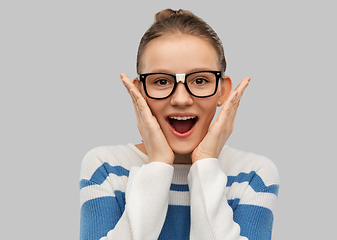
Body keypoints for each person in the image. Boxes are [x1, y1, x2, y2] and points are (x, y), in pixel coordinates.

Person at [79, 8, 279, 240]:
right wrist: (158, 166)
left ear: (222, 91)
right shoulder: (106, 169)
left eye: (200, 80)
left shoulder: (254, 175)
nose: (181, 99)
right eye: (162, 81)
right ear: (139, 92)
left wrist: (205, 164)